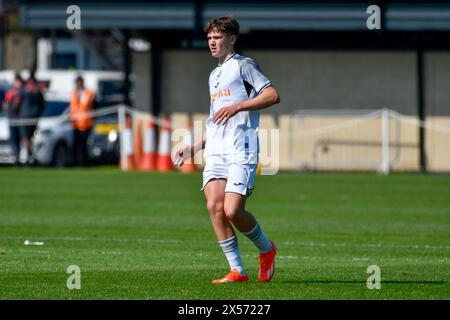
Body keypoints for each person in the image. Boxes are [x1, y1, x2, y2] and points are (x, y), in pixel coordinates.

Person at [174, 16, 280, 283]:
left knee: (233, 210)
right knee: (214, 206)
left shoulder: (244, 65)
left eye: (217, 37)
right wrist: (195, 147)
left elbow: (272, 95)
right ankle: (237, 270)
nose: (212, 42)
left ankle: (267, 249)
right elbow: (215, 120)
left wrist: (238, 106)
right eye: (209, 38)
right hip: (217, 149)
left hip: (241, 147)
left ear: (232, 39)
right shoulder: (214, 75)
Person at [19, 69, 45, 164]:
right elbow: (42, 103)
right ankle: (31, 155)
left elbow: (18, 102)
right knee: (32, 137)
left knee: (25, 137)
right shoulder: (38, 89)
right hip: (35, 116)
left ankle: (28, 156)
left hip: (24, 116)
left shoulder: (24, 88)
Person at [69, 75, 96, 166]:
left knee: (84, 145)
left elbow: (93, 106)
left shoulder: (88, 93)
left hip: (86, 123)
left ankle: (84, 163)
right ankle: (75, 163)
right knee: (75, 145)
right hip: (75, 124)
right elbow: (72, 108)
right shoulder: (74, 93)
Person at [3, 73, 24, 164]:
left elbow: (7, 104)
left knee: (18, 138)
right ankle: (16, 156)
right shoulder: (12, 91)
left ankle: (18, 156)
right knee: (14, 139)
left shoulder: (20, 91)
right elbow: (6, 104)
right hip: (13, 119)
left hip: (18, 119)